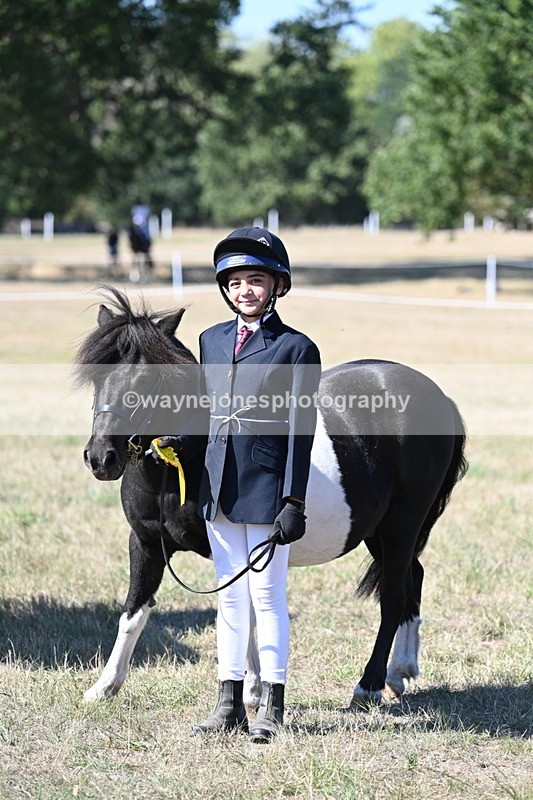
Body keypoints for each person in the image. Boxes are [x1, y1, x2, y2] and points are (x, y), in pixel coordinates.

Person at [153, 228, 321, 742]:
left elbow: (301, 432)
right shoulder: (212, 340)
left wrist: (294, 499)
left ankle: (272, 704)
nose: (244, 290)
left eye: (256, 280)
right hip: (219, 490)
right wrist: (177, 440)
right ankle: (228, 704)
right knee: (230, 600)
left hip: (268, 490)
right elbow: (206, 412)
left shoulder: (298, 348)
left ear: (276, 285)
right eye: (235, 282)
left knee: (267, 598)